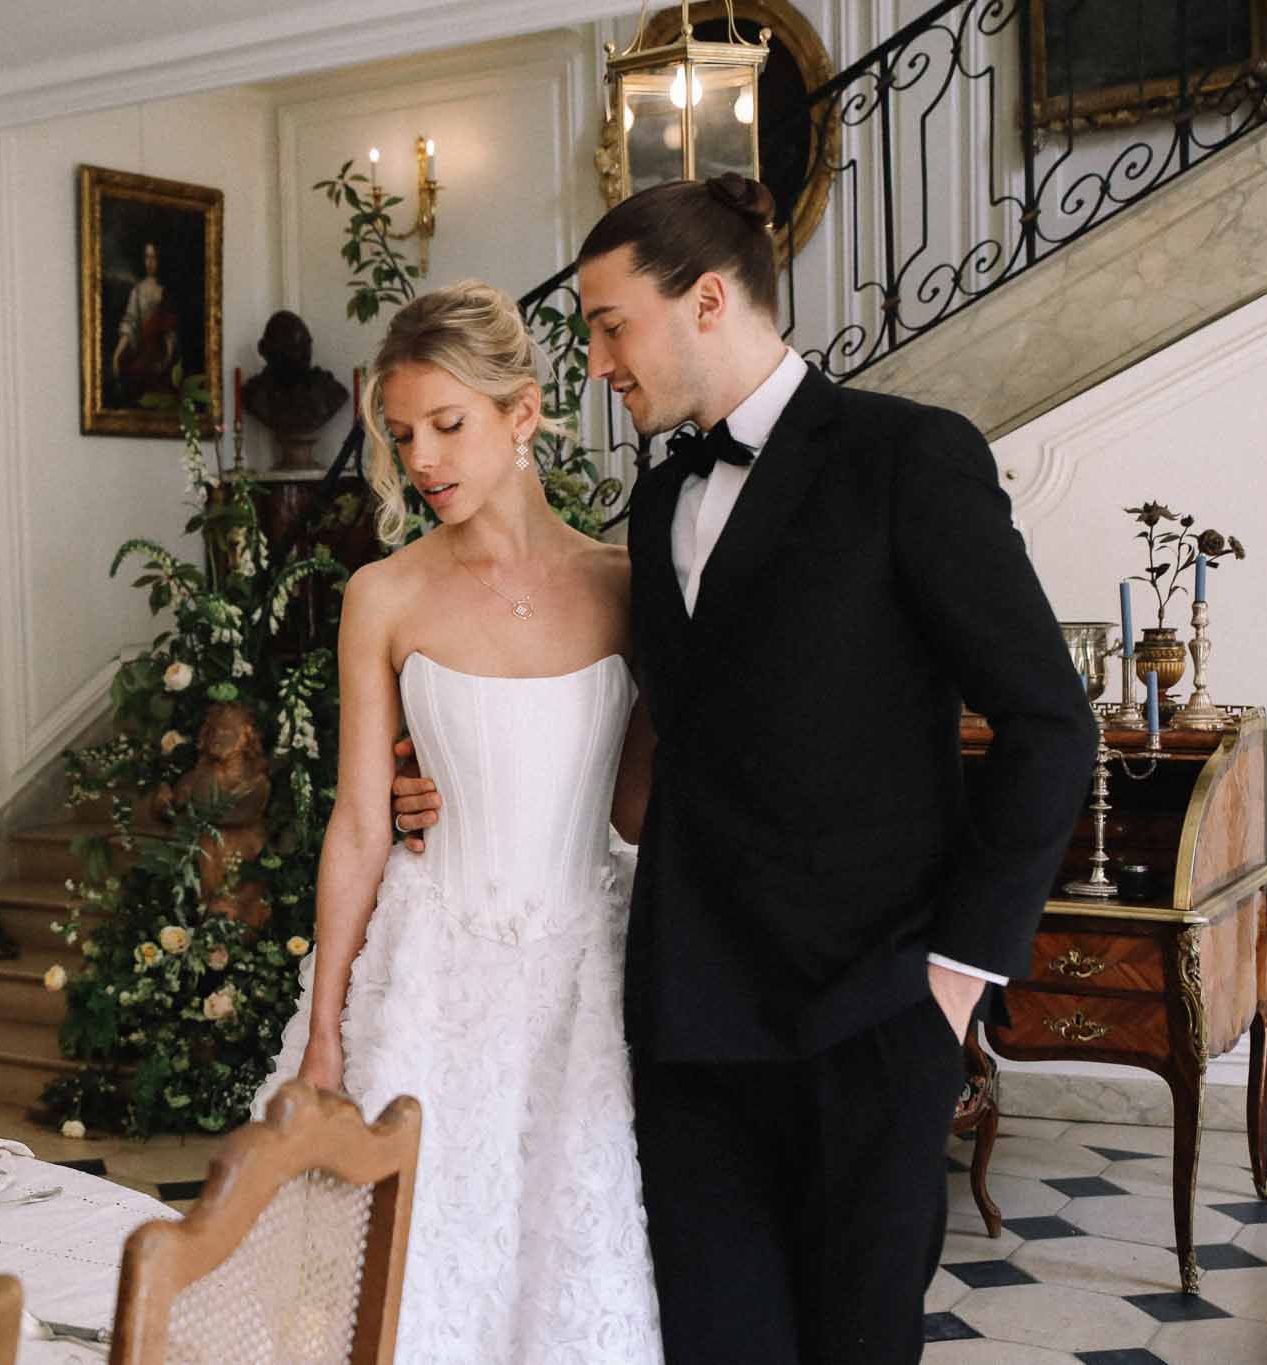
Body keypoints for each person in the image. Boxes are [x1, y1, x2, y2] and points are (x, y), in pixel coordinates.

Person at [391, 176, 1097, 1363]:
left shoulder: (905, 456)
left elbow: (1047, 723)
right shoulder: (659, 494)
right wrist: (457, 783)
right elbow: (640, 742)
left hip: (870, 1011)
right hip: (689, 1020)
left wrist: (953, 981)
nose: (596, 364)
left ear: (707, 300)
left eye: (610, 326)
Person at [253, 280, 664, 1363]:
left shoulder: (625, 584)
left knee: (566, 1272)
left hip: (586, 984)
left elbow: (635, 810)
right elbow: (358, 822)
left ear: (521, 414)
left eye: (446, 425)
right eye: (401, 435)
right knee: (415, 1282)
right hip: (429, 984)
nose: (421, 459)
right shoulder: (382, 595)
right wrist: (325, 1030)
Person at [110, 240, 178, 404]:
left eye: (154, 258)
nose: (150, 262)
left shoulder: (166, 292)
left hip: (160, 357)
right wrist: (117, 354)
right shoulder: (137, 290)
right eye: (147, 257)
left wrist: (166, 359)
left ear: (160, 259)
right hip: (142, 355)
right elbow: (130, 323)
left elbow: (170, 331)